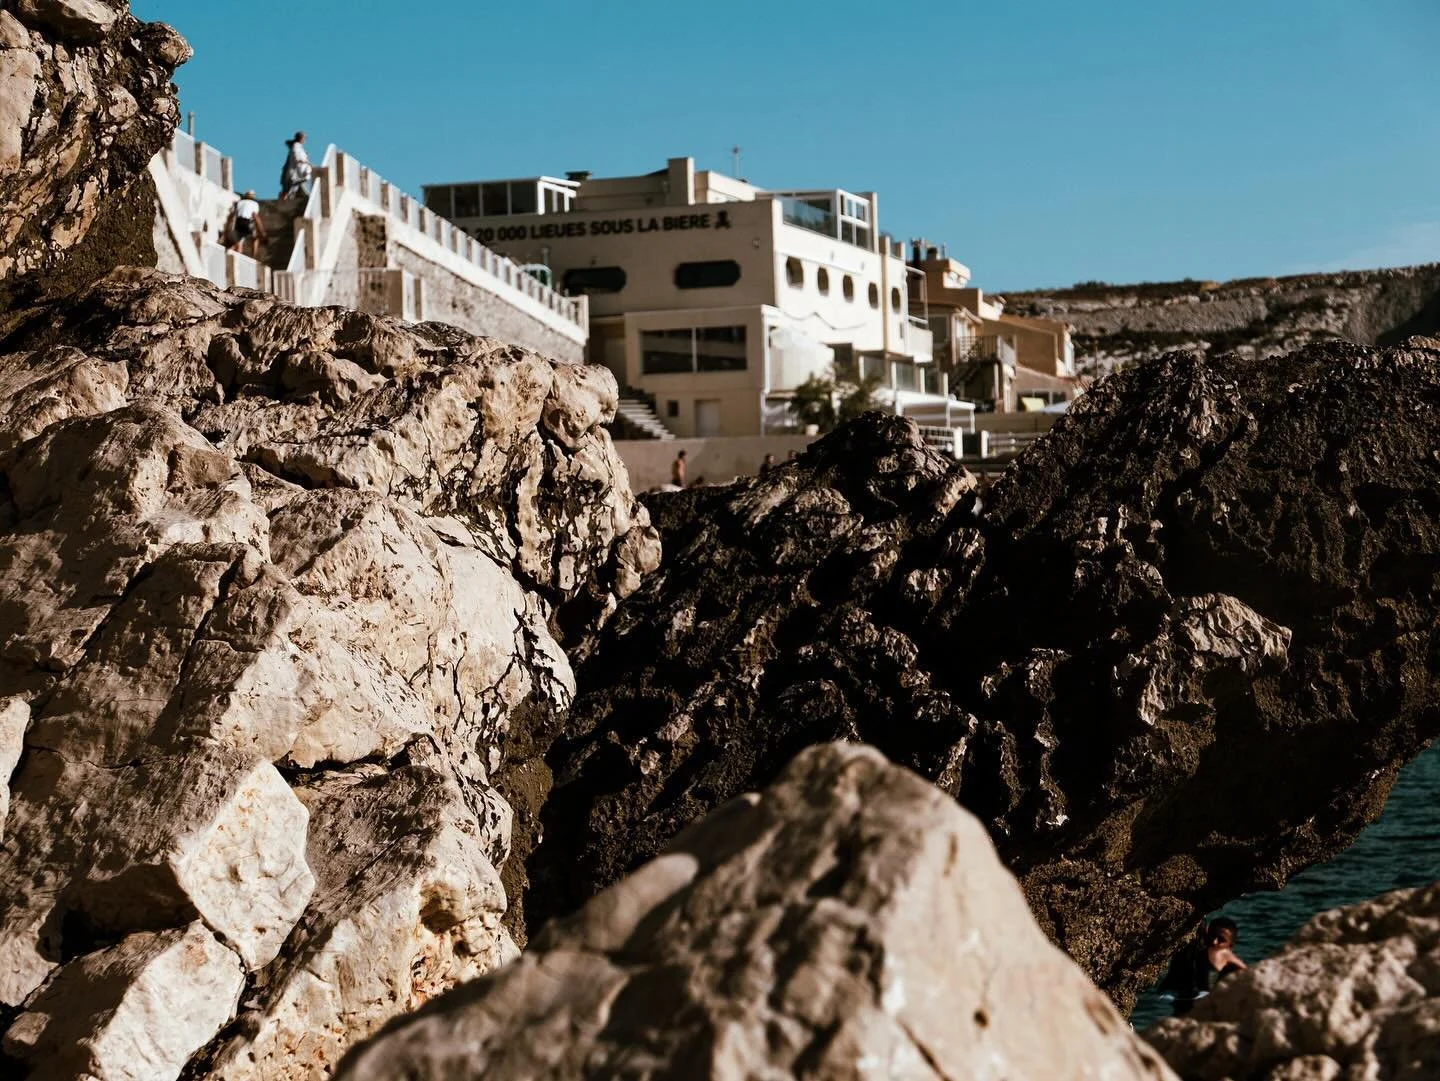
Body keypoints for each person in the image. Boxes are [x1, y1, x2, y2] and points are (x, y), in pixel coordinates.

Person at [1157, 918, 1247, 1016]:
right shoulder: (1220, 953)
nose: (1214, 942)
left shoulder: (1216, 952)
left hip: (1185, 1000)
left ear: (1231, 944)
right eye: (1212, 936)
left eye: (1221, 940)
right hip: (1196, 1001)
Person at [228, 190, 267, 258]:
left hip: (238, 223)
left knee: (238, 243)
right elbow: (255, 217)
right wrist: (262, 232)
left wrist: (229, 226)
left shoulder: (240, 202)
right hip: (247, 223)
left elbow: (233, 215)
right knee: (255, 238)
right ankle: (253, 256)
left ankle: (231, 253)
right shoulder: (254, 204)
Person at [280, 131, 313, 202]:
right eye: (304, 138)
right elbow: (297, 158)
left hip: (297, 172)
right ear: (301, 138)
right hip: (295, 172)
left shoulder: (299, 147)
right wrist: (307, 162)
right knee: (292, 187)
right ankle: (284, 199)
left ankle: (287, 198)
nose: (304, 140)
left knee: (294, 188)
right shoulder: (296, 146)